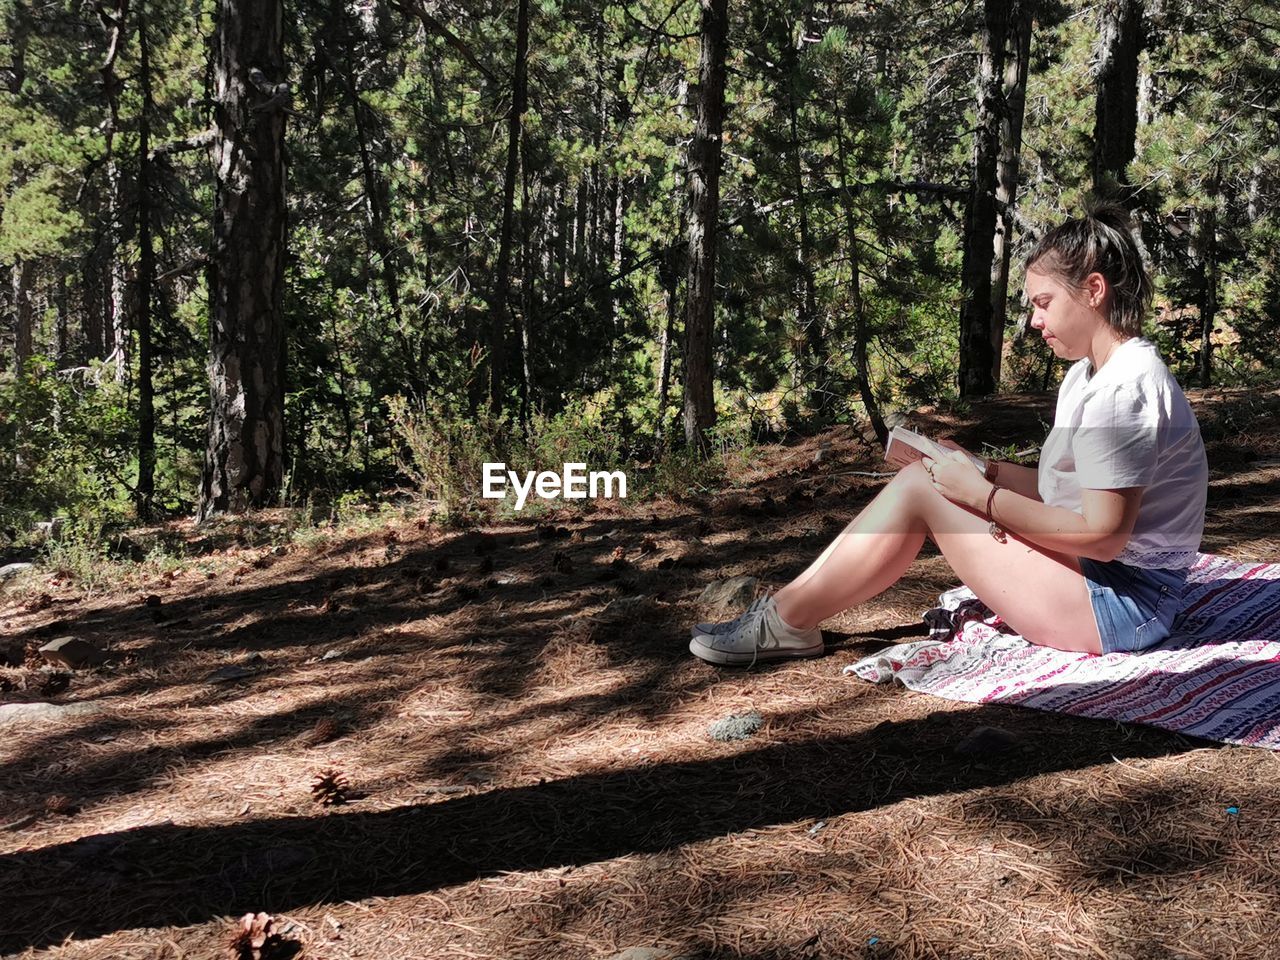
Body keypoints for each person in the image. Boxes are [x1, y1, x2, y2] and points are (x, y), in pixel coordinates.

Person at [690, 203, 1208, 664]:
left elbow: (1103, 534)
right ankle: (785, 615)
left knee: (920, 489)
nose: (1033, 321)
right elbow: (1067, 491)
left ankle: (784, 623)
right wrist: (985, 471)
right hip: (1111, 588)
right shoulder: (1091, 374)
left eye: (1043, 302)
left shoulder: (1125, 388)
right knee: (925, 479)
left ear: (1094, 290)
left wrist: (982, 497)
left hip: (1123, 606)